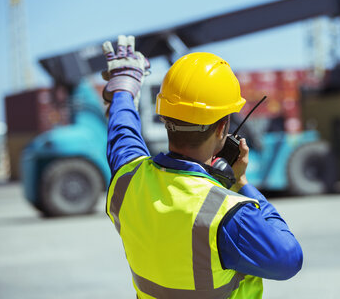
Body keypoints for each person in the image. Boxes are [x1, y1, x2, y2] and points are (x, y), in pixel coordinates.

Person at [103, 35, 303, 299]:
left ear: (163, 116)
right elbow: (289, 259)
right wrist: (242, 184)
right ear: (223, 127)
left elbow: (122, 133)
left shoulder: (128, 181)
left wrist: (123, 90)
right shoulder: (228, 215)